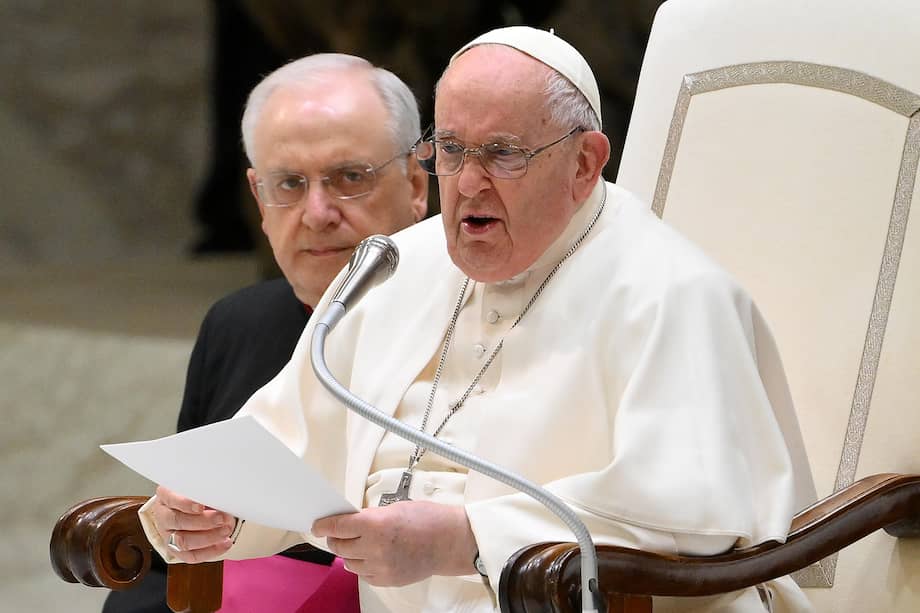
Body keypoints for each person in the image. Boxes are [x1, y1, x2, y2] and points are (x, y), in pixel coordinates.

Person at [140, 27, 816, 612]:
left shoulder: (672, 294)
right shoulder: (398, 265)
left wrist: (464, 538)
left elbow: (687, 514)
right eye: (454, 150)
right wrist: (212, 506)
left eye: (503, 153)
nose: (467, 184)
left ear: (585, 163)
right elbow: (287, 442)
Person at [105, 53, 428, 612]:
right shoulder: (237, 325)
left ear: (417, 185)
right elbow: (170, 564)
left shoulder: (468, 327)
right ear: (257, 198)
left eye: (350, 178)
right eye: (289, 184)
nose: (318, 212)